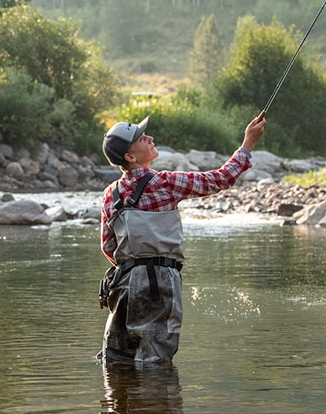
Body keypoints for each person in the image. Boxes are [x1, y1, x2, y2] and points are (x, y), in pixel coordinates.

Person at [98, 114, 266, 364]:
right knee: (155, 361)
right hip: (160, 282)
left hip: (122, 284)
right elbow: (220, 179)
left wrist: (134, 270)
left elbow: (108, 247)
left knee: (117, 360)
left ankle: (118, 402)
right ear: (131, 157)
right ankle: (155, 402)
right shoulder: (166, 183)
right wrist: (247, 144)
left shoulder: (110, 195)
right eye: (143, 139)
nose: (151, 138)